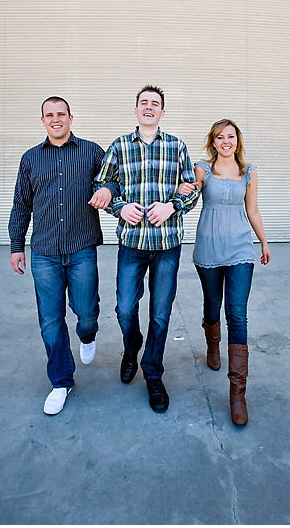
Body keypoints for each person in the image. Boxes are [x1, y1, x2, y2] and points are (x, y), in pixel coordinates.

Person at [94, 85, 200, 413]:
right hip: (132, 243)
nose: (149, 108)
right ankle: (132, 347)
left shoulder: (177, 147)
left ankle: (152, 372)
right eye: (144, 103)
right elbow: (101, 185)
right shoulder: (119, 146)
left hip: (168, 242)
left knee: (161, 312)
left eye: (155, 104)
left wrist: (172, 206)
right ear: (136, 109)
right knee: (125, 309)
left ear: (163, 112)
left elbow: (192, 190)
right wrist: (119, 207)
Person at [9, 96, 117, 415]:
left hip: (82, 247)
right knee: (51, 319)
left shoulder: (92, 151)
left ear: (71, 117)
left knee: (85, 311)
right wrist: (16, 245)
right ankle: (60, 381)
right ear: (42, 120)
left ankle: (87, 334)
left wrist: (108, 189)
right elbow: (21, 205)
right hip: (44, 252)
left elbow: (113, 178)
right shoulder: (30, 159)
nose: (56, 119)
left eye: (61, 114)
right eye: (49, 114)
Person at [177, 119, 270, 425]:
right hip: (208, 247)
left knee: (238, 314)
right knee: (212, 305)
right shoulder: (202, 168)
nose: (226, 141)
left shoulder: (249, 172)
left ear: (237, 140)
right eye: (220, 137)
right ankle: (212, 343)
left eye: (230, 136)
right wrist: (185, 186)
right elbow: (192, 189)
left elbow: (253, 209)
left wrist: (264, 242)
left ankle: (237, 394)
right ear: (213, 142)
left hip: (241, 249)